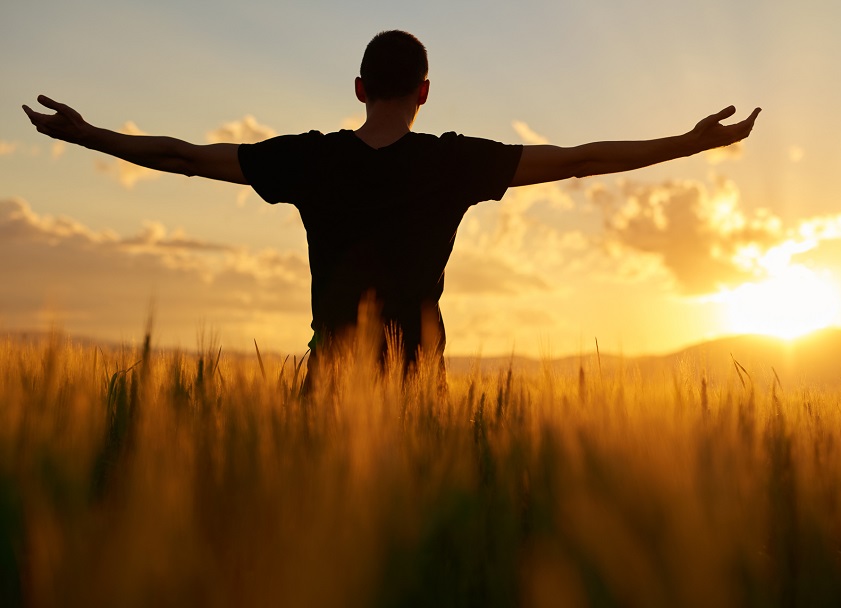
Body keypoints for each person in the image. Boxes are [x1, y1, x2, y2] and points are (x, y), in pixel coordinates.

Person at [22, 29, 760, 387]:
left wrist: (87, 134)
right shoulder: (452, 161)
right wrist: (688, 145)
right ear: (424, 92)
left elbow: (185, 155)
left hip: (326, 386)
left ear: (358, 87)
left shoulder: (308, 158)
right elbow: (580, 160)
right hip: (417, 395)